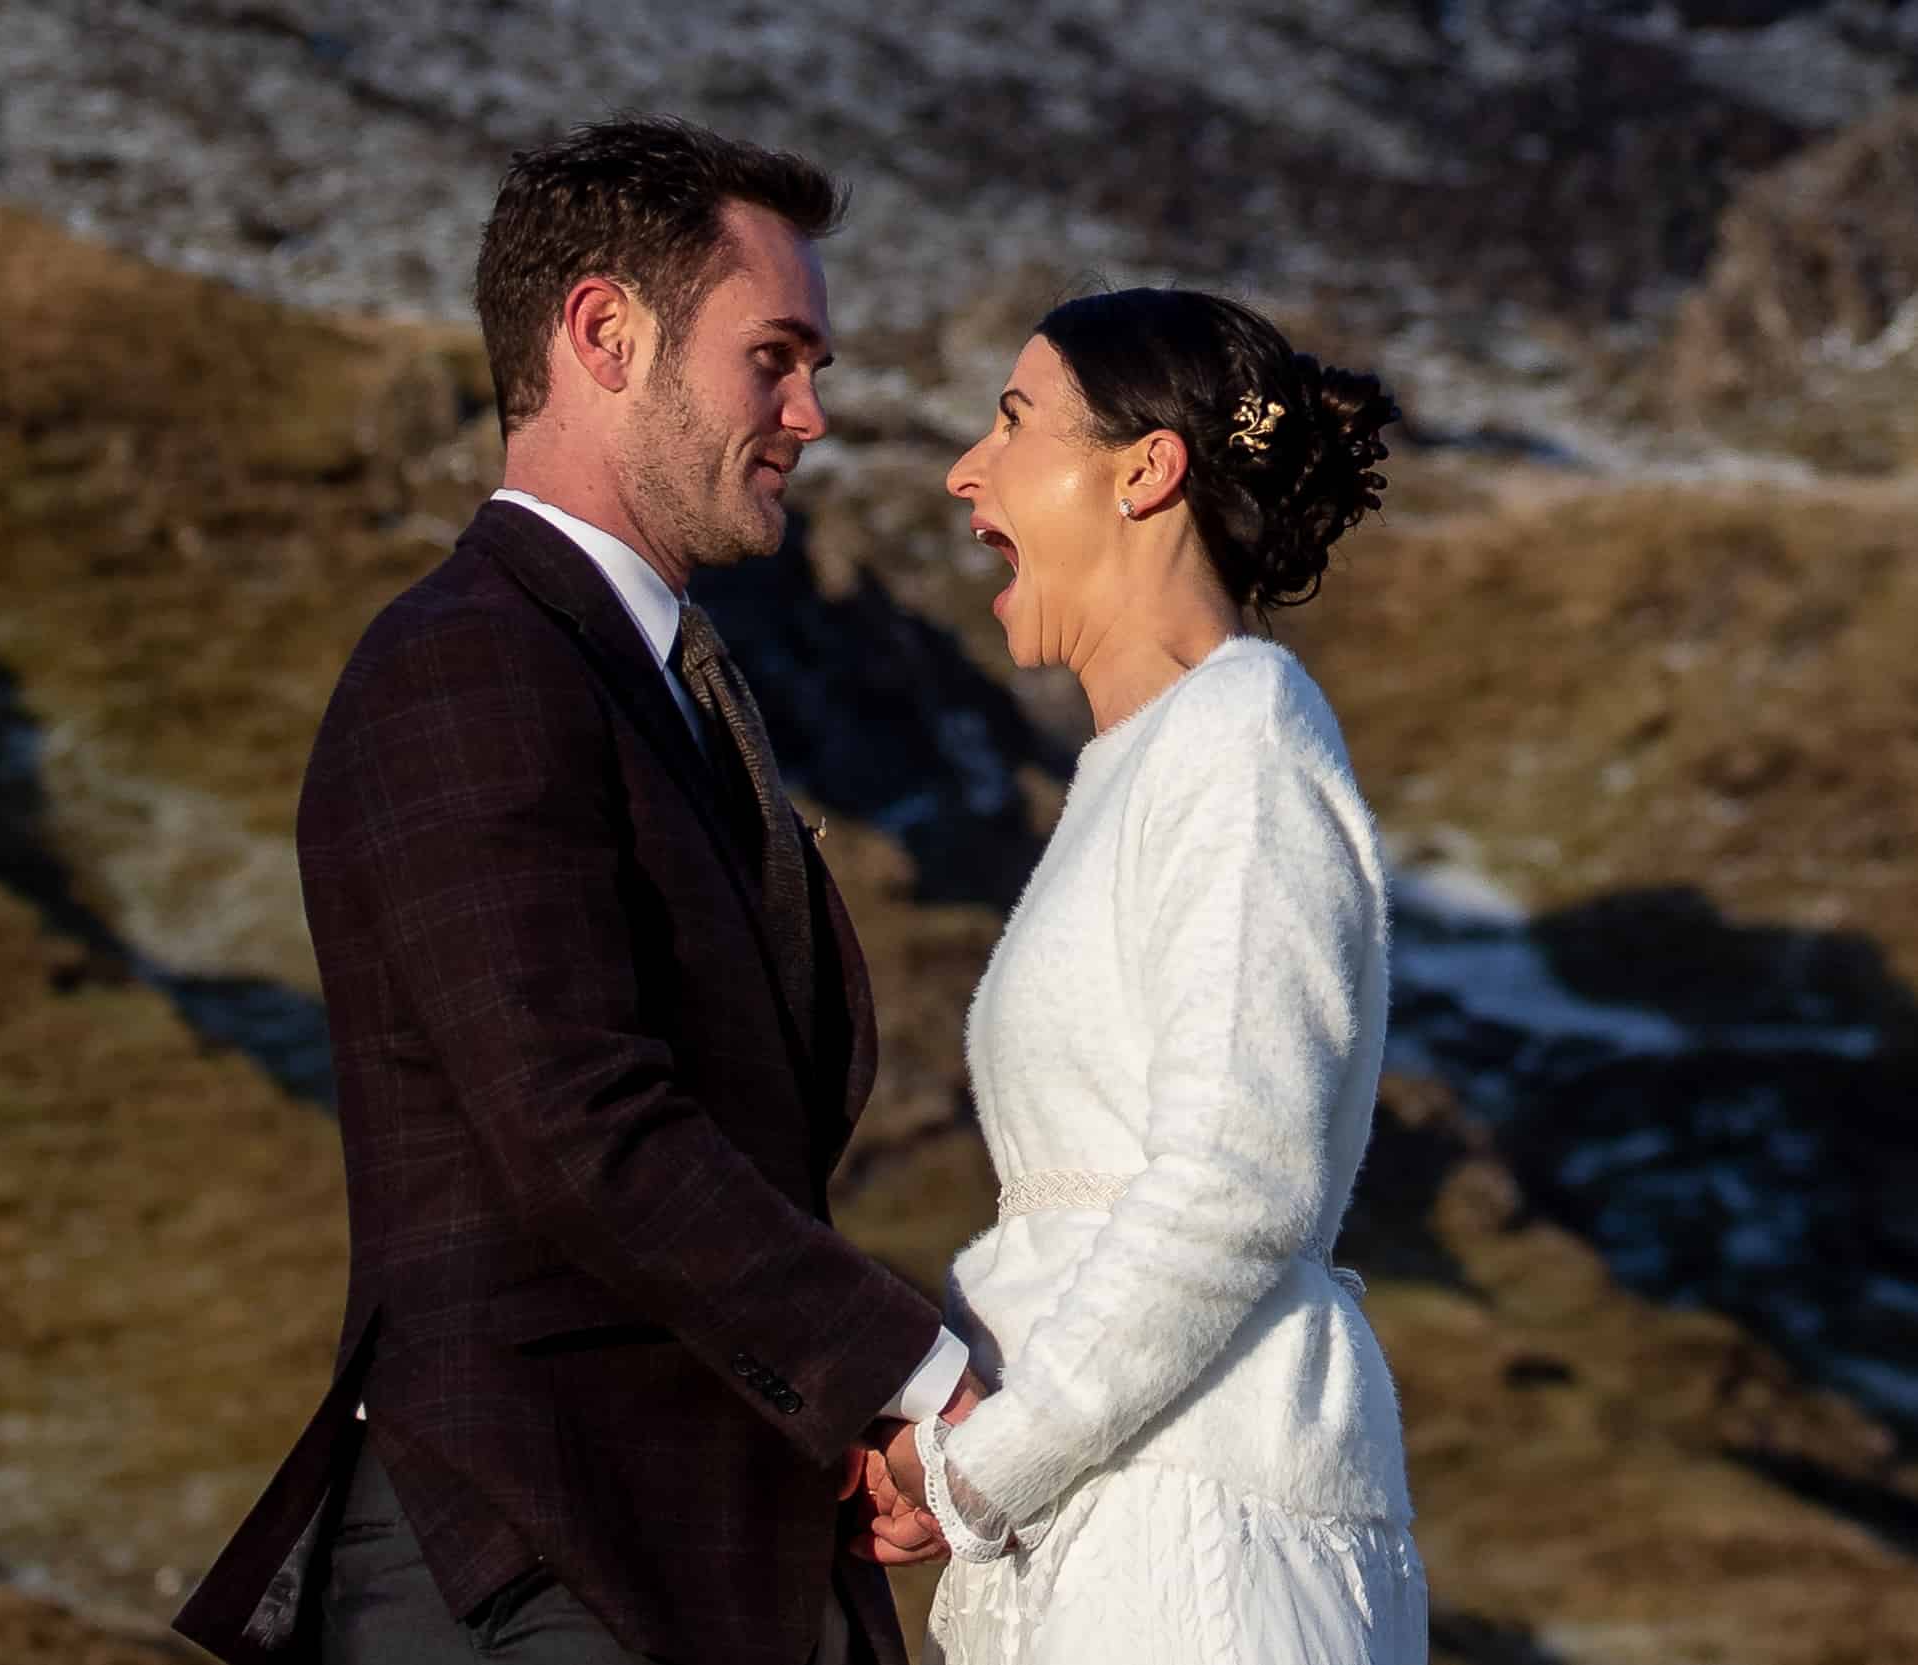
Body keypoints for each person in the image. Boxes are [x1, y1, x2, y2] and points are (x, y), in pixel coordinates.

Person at [172, 117, 982, 1665]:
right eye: (776, 356)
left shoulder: (641, 680)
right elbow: (578, 1125)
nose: (812, 413)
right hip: (539, 1549)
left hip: (685, 1550)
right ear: (606, 332)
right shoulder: (466, 668)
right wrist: (917, 1375)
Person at [900, 288, 1428, 1663]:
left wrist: (983, 1461)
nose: (969, 467)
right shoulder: (1151, 761)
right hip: (1121, 1511)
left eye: (1014, 420)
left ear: (1147, 471)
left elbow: (1236, 1181)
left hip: (1196, 1549)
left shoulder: (1240, 740)